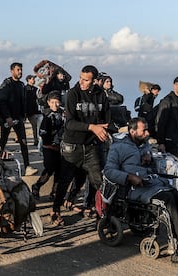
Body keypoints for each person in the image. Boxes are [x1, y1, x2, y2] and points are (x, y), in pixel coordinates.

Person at [104, 117, 178, 264]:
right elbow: (109, 171)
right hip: (133, 188)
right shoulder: (118, 147)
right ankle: (176, 243)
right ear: (132, 131)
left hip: (151, 183)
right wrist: (129, 177)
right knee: (168, 199)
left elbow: (151, 167)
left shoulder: (144, 145)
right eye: (144, 130)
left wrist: (150, 159)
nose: (147, 133)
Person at [50, 65, 111, 226]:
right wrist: (91, 127)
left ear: (95, 81)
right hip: (72, 145)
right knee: (65, 181)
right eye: (81, 78)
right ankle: (55, 209)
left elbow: (105, 120)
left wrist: (104, 129)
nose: (82, 82)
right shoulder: (73, 94)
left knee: (99, 181)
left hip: (92, 146)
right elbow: (69, 123)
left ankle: (102, 213)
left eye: (86, 80)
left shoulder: (101, 95)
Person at [0, 62, 38, 176]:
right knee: (3, 142)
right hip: (6, 118)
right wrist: (7, 117)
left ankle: (27, 166)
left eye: (21, 70)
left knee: (23, 142)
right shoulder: (6, 84)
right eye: (18, 70)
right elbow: (2, 102)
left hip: (18, 118)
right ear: (12, 71)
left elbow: (23, 101)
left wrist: (23, 115)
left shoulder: (21, 85)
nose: (20, 72)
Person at [31, 91, 64, 200]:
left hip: (60, 148)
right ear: (49, 103)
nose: (55, 105)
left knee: (59, 171)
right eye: (53, 102)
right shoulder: (45, 116)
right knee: (49, 169)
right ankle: (36, 186)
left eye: (57, 102)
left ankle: (55, 192)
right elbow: (42, 133)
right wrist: (52, 137)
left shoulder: (63, 114)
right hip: (48, 147)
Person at [155, 76, 178, 158]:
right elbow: (160, 123)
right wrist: (161, 143)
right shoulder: (167, 101)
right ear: (175, 86)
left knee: (176, 167)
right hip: (167, 143)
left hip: (176, 143)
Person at [25, 75, 42, 146]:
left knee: (36, 126)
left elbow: (39, 99)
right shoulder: (24, 89)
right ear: (28, 80)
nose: (34, 80)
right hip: (27, 111)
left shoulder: (36, 89)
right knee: (33, 126)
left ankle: (36, 140)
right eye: (32, 79)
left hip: (35, 111)